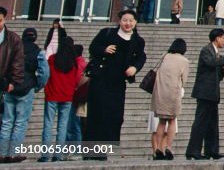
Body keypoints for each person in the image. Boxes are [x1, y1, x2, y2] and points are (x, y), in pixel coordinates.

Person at [84, 9, 147, 160]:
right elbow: (93, 48)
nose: (128, 23)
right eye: (125, 20)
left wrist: (135, 68)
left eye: (131, 20)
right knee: (97, 114)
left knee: (114, 116)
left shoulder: (138, 40)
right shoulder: (107, 33)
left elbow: (141, 57)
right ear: (120, 21)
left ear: (135, 23)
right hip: (100, 80)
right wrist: (104, 49)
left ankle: (103, 149)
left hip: (118, 83)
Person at [185, 28, 224, 160]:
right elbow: (211, 62)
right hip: (204, 93)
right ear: (217, 38)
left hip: (212, 93)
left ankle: (211, 150)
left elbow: (214, 73)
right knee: (201, 122)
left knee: (212, 123)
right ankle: (193, 151)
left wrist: (222, 72)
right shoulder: (207, 50)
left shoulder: (215, 52)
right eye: (223, 38)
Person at [39, 34, 83, 162]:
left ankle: (45, 155)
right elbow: (76, 80)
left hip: (52, 95)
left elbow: (46, 75)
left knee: (48, 124)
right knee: (62, 126)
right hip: (67, 97)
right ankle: (57, 155)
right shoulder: (74, 63)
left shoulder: (52, 59)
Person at [0, 26, 37, 164]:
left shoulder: (13, 46)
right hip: (26, 89)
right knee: (20, 123)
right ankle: (13, 153)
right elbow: (44, 72)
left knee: (7, 121)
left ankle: (2, 153)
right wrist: (37, 85)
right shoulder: (37, 51)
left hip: (10, 87)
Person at [149, 38, 188, 160]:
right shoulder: (184, 60)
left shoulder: (164, 56)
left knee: (161, 122)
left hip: (160, 93)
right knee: (172, 121)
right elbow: (184, 79)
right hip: (173, 93)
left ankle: (158, 149)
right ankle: (168, 148)